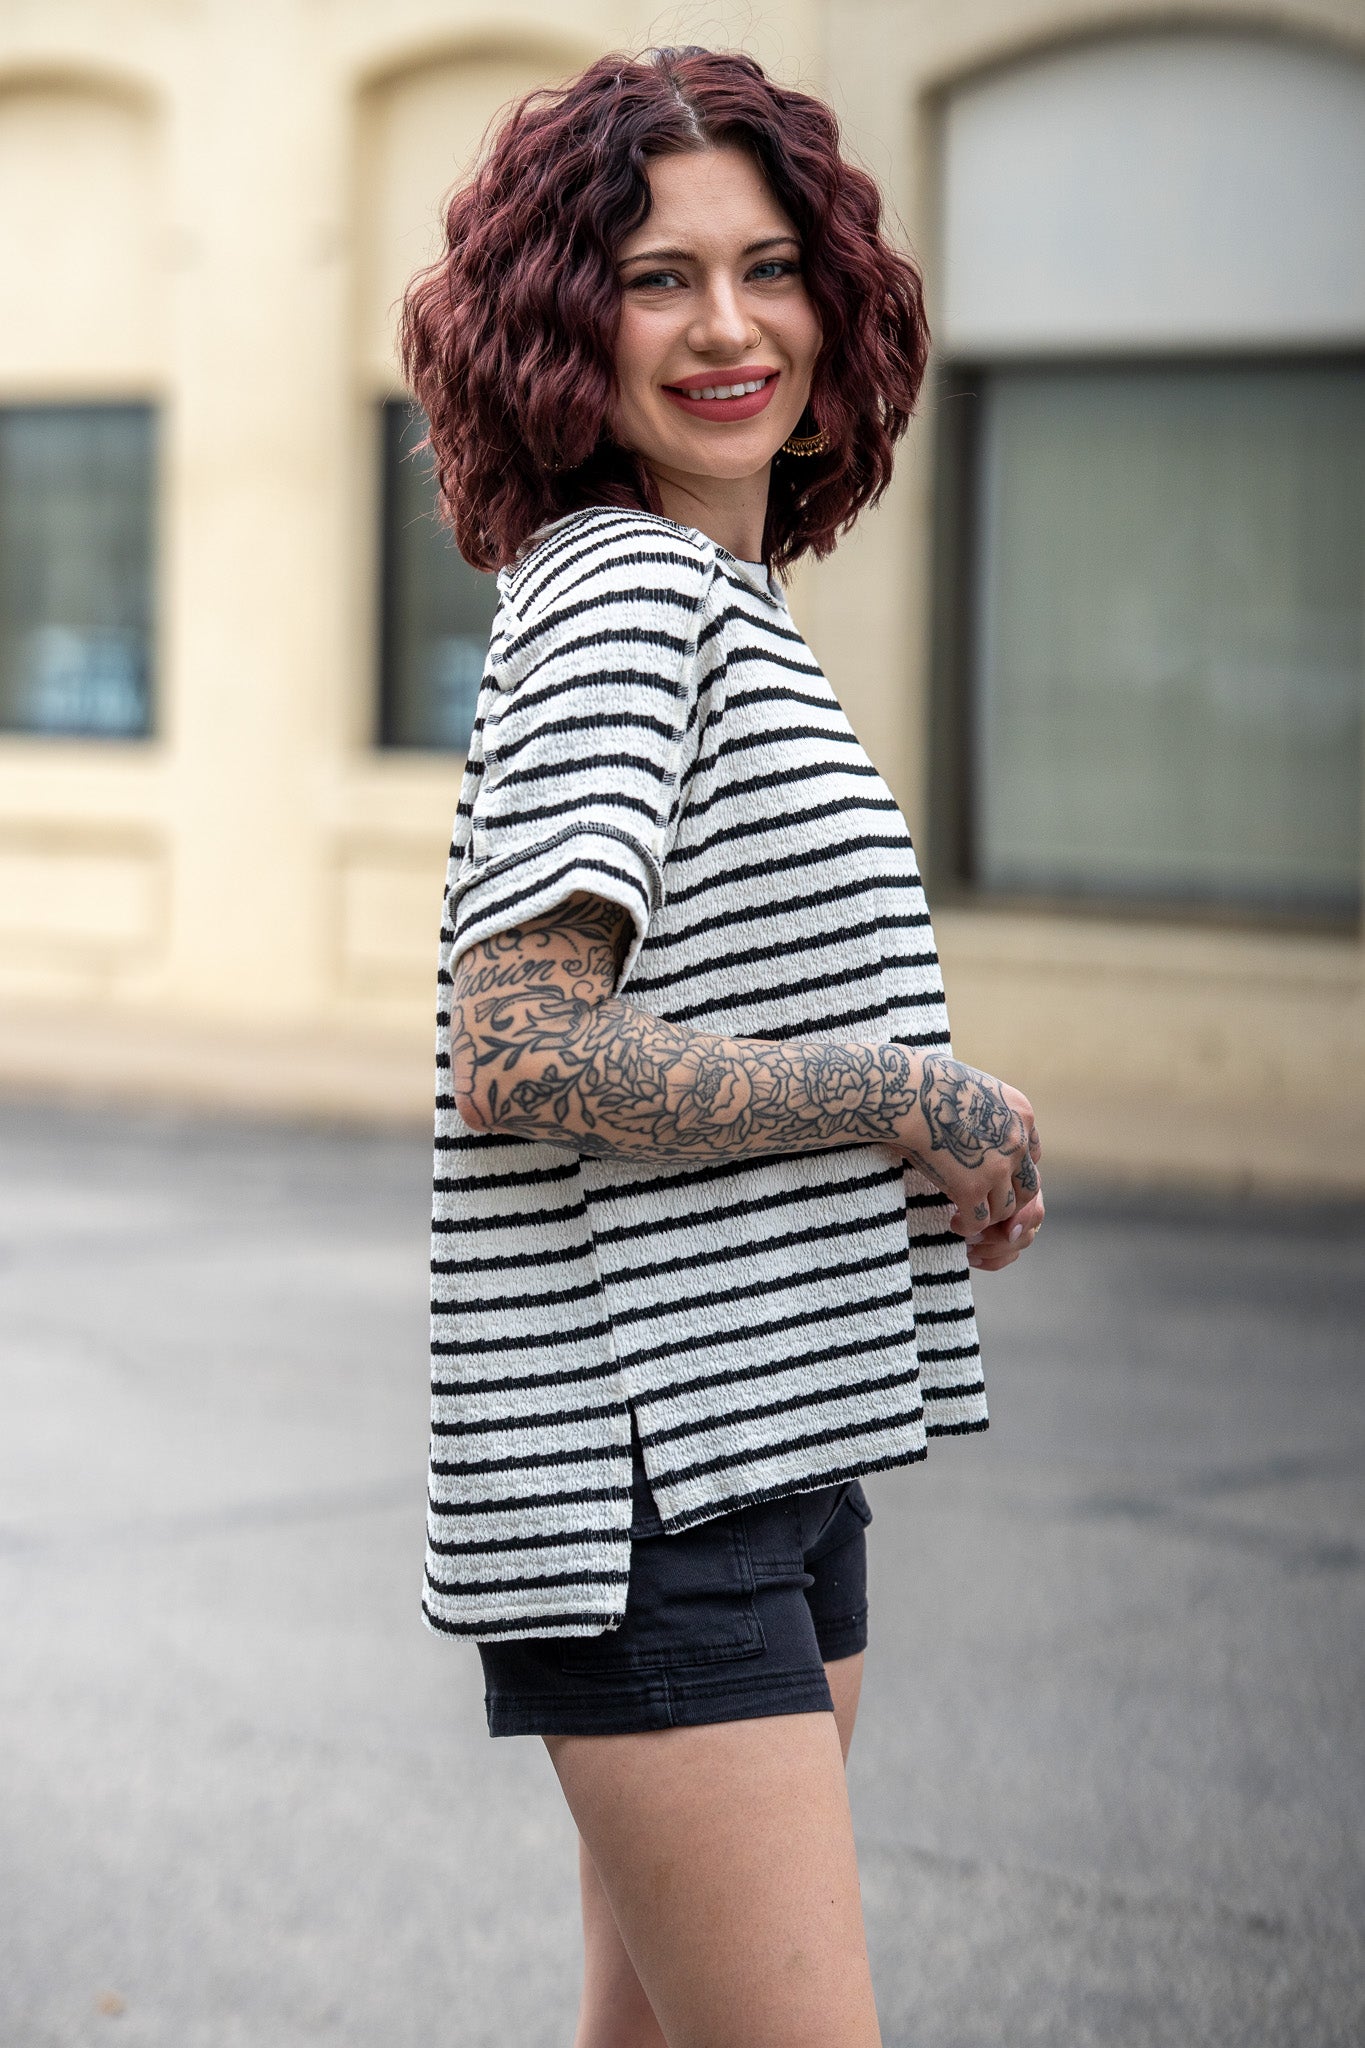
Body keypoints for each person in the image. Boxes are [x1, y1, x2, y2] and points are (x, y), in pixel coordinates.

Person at [402, 46, 1044, 2048]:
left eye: (764, 269)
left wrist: (940, 1110)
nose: (724, 325)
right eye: (653, 276)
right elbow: (517, 1046)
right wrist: (904, 1096)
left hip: (761, 1446)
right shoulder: (621, 600)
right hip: (646, 1491)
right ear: (554, 322)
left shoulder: (714, 598)